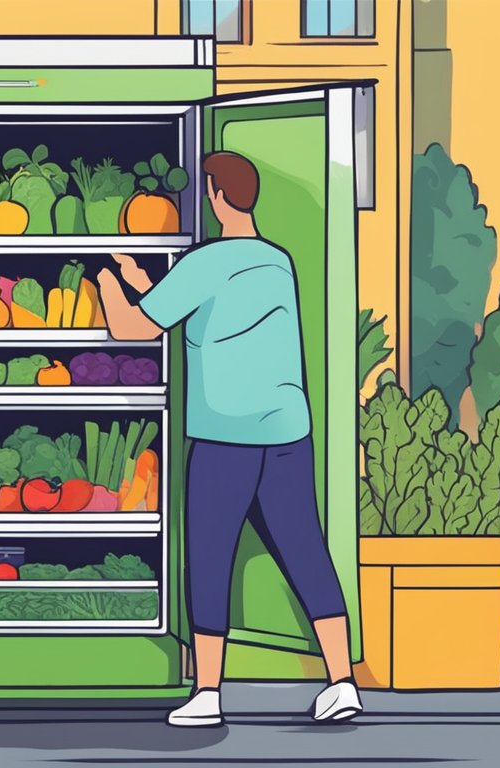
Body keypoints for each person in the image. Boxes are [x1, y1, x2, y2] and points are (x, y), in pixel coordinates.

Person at [97, 152, 362, 728]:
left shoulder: (206, 261)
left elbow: (134, 328)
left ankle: (209, 694)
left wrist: (108, 282)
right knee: (305, 549)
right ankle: (342, 681)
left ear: (215, 197)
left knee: (210, 557)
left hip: (224, 437)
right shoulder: (276, 262)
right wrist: (151, 284)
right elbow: (213, 312)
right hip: (287, 431)